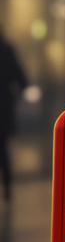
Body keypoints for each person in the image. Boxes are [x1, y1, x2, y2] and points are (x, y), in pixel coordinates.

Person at [0, 30, 27, 202]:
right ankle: (7, 189)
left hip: (4, 107)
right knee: (3, 149)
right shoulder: (6, 51)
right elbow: (22, 81)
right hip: (4, 107)